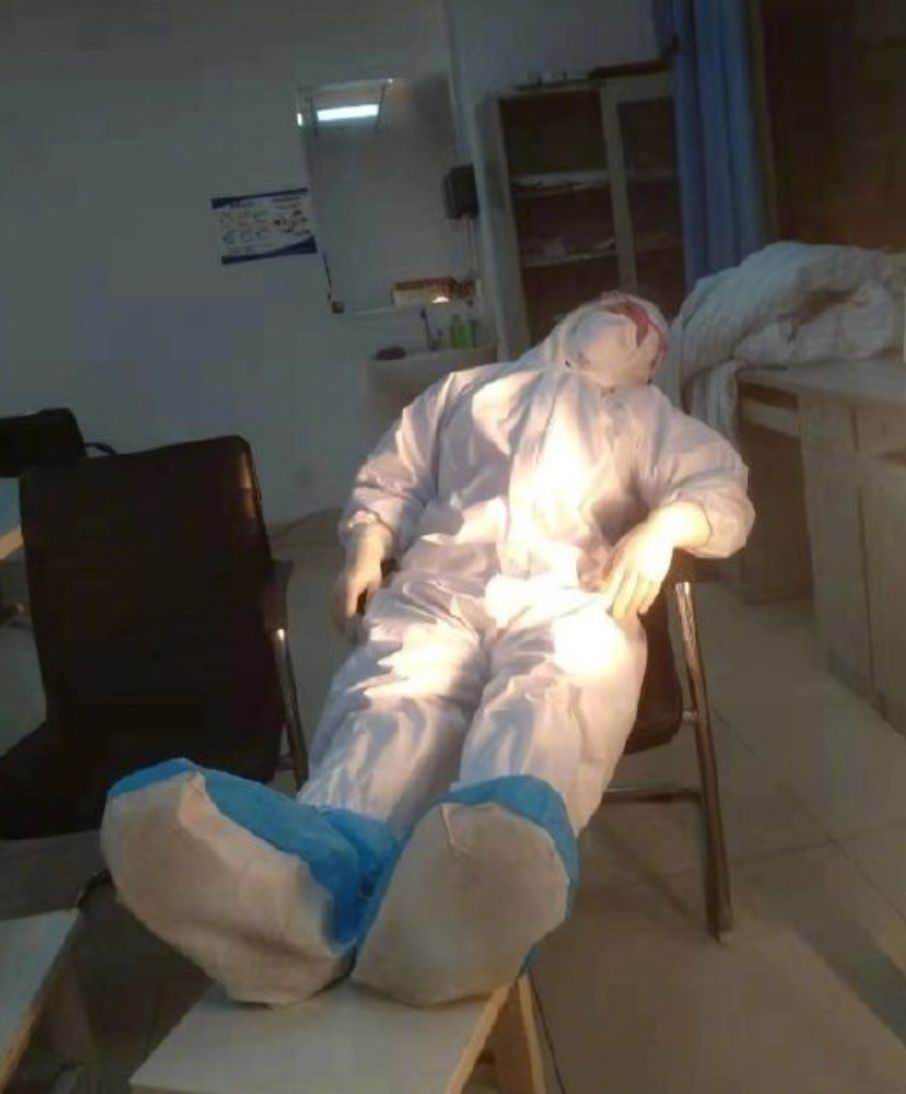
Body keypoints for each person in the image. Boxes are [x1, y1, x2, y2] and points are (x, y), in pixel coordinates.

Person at [102, 292, 754, 1008]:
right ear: (570, 319)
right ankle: (305, 890)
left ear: (655, 363)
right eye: (619, 308)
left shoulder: (648, 418)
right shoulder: (466, 391)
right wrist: (367, 544)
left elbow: (720, 488)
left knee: (548, 698)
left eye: (648, 326)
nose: (631, 325)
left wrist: (667, 527)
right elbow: (394, 476)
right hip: (438, 590)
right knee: (393, 702)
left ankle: (478, 883)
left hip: (571, 596)